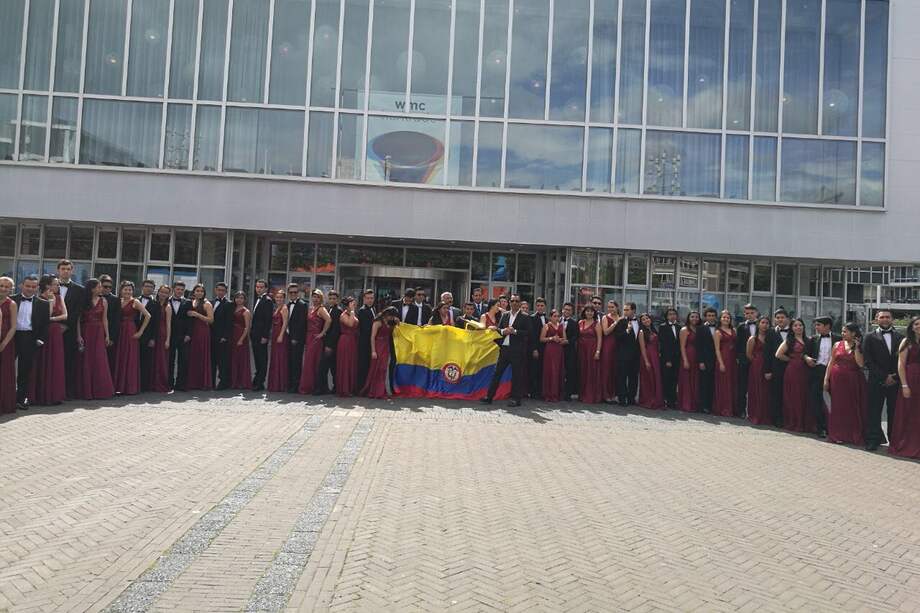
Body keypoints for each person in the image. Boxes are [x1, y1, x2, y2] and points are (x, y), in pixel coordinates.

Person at [862, 309, 904, 451]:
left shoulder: (901, 337)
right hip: (876, 381)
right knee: (874, 411)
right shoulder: (869, 337)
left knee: (894, 412)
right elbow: (868, 360)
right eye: (882, 317)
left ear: (892, 319)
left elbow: (903, 360)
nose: (885, 319)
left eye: (887, 317)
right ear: (876, 319)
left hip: (895, 380)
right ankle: (873, 439)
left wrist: (894, 376)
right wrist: (883, 376)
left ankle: (894, 440)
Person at [480, 294, 529, 407]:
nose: (514, 303)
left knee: (517, 375)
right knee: (497, 373)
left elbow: (529, 333)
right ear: (509, 302)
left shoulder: (525, 317)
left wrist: (515, 331)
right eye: (512, 301)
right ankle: (489, 396)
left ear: (520, 303)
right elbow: (500, 329)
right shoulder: (505, 315)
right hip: (505, 349)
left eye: (517, 301)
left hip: (517, 350)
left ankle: (516, 399)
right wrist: (503, 331)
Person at [823, 322, 866, 446]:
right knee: (837, 407)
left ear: (853, 333)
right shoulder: (837, 344)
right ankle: (837, 434)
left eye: (845, 331)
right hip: (837, 380)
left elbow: (860, 364)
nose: (842, 334)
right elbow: (831, 362)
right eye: (842, 331)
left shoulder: (860, 346)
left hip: (853, 380)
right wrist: (826, 379)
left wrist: (857, 348)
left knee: (852, 407)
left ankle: (852, 434)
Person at [29, 275, 67, 406]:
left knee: (55, 361)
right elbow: (46, 315)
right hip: (44, 332)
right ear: (47, 286)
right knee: (41, 361)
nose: (58, 286)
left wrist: (53, 320)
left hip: (56, 332)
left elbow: (65, 315)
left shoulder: (59, 297)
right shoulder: (39, 299)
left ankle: (54, 395)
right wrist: (50, 302)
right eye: (56, 284)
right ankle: (39, 395)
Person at [13, 275, 50, 410]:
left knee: (24, 370)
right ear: (21, 285)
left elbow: (46, 325)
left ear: (37, 288)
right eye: (27, 286)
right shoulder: (11, 300)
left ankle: (20, 399)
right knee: (5, 367)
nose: (30, 289)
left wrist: (40, 340)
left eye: (33, 287)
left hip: (30, 338)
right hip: (12, 336)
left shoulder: (43, 304)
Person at [75, 278, 114, 400]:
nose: (101, 289)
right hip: (86, 331)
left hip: (98, 332)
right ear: (92, 289)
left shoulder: (104, 301)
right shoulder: (83, 300)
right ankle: (86, 391)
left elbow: (105, 319)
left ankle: (100, 390)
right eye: (98, 287)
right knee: (86, 360)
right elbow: (78, 319)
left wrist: (107, 335)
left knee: (99, 360)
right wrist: (79, 335)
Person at [112, 281, 150, 396]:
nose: (127, 292)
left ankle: (129, 387)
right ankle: (119, 386)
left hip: (130, 330)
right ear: (121, 290)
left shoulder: (135, 301)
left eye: (130, 290)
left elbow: (148, 315)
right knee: (120, 356)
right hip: (120, 331)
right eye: (125, 289)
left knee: (130, 358)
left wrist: (140, 331)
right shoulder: (118, 301)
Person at [776, 318, 814, 433]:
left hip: (806, 371)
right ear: (792, 328)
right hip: (793, 371)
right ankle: (794, 422)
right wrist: (791, 359)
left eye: (800, 325)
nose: (798, 327)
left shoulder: (809, 340)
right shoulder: (789, 340)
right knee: (794, 396)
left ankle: (804, 422)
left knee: (804, 395)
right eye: (795, 326)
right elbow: (778, 354)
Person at [890, 316, 920, 459]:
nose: (919, 326)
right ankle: (906, 444)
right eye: (917, 324)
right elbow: (901, 365)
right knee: (908, 412)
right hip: (911, 380)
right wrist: (904, 385)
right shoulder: (906, 342)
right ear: (912, 327)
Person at [805, 316, 840, 438]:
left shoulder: (838, 339)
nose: (816, 327)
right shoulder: (813, 339)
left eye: (818, 325)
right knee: (816, 400)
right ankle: (821, 427)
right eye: (816, 325)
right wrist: (807, 358)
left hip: (834, 372)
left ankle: (833, 427)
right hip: (817, 371)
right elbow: (805, 353)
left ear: (827, 326)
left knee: (833, 401)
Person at [57, 259, 84, 399]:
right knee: (52, 361)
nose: (66, 271)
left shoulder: (80, 290)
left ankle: (67, 392)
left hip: (70, 331)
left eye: (68, 269)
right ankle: (52, 390)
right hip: (51, 331)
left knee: (69, 361)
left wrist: (66, 325)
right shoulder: (49, 286)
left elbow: (78, 311)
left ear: (72, 271)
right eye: (63, 269)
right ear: (58, 270)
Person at [362, 307, 399, 399]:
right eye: (391, 316)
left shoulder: (389, 322)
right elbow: (372, 337)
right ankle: (374, 391)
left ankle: (381, 390)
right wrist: (373, 351)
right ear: (387, 314)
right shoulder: (378, 322)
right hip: (378, 345)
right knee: (377, 368)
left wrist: (396, 322)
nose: (392, 318)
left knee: (383, 369)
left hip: (386, 346)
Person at [299, 290, 332, 394]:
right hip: (309, 337)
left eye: (317, 297)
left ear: (321, 298)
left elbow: (329, 320)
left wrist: (322, 333)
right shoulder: (311, 308)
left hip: (316, 339)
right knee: (309, 362)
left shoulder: (321, 309)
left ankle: (315, 386)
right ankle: (310, 385)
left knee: (314, 362)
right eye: (314, 297)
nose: (315, 299)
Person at [185, 284, 214, 391]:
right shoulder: (191, 301)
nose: (199, 293)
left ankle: (203, 382)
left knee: (202, 355)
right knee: (193, 356)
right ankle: (193, 382)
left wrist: (197, 315)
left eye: (201, 291)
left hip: (202, 331)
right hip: (193, 331)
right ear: (194, 292)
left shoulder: (207, 304)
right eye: (197, 291)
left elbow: (211, 320)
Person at [766, 309, 791, 428]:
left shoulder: (793, 331)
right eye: (778, 318)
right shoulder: (771, 332)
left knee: (789, 394)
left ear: (787, 319)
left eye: (782, 317)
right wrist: (767, 370)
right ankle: (776, 419)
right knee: (776, 394)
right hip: (775, 368)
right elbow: (767, 353)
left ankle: (788, 418)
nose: (780, 320)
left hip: (791, 368)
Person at [745, 317, 773, 426]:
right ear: (758, 324)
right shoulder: (752, 338)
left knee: (766, 391)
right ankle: (755, 414)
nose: (765, 325)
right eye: (762, 322)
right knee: (756, 390)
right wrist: (757, 361)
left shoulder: (771, 337)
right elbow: (748, 354)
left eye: (767, 323)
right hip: (756, 367)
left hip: (768, 366)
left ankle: (765, 415)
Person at [613, 302, 641, 406]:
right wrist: (627, 331)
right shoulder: (621, 322)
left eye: (627, 310)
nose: (625, 312)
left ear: (633, 310)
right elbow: (617, 337)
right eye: (624, 310)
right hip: (623, 354)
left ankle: (631, 398)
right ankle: (622, 398)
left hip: (636, 355)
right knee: (622, 377)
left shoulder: (639, 321)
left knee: (634, 377)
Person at [316, 290, 342, 394]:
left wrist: (329, 345)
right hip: (327, 342)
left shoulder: (338, 311)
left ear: (338, 300)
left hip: (332, 344)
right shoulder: (329, 309)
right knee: (330, 367)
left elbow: (336, 329)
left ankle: (324, 388)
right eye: (330, 298)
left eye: (334, 299)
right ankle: (329, 388)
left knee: (325, 367)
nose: (331, 300)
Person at [712, 310, 738, 418]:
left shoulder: (734, 330)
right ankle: (723, 408)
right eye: (724, 317)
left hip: (732, 359)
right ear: (720, 319)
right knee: (724, 384)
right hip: (723, 358)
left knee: (732, 383)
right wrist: (721, 363)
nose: (726, 319)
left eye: (728, 318)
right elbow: (717, 349)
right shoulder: (717, 332)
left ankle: (732, 408)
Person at [250, 279, 274, 392]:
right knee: (257, 358)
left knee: (262, 359)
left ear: (265, 289)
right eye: (257, 287)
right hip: (255, 334)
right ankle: (257, 379)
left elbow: (268, 320)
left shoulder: (267, 300)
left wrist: (265, 336)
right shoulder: (257, 299)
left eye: (261, 287)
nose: (258, 289)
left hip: (261, 336)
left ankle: (260, 382)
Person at [735, 304, 759, 416]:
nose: (749, 315)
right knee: (742, 386)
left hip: (759, 359)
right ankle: (741, 411)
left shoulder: (762, 325)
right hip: (744, 360)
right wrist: (739, 358)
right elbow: (738, 344)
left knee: (758, 385)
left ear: (756, 313)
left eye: (752, 313)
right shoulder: (740, 327)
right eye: (747, 313)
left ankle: (756, 411)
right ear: (744, 314)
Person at [577, 304, 603, 404]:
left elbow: (600, 338)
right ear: (584, 312)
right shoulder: (580, 322)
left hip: (592, 349)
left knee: (591, 371)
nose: (589, 313)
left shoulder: (597, 324)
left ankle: (591, 395)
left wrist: (598, 351)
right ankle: (582, 394)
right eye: (587, 311)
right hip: (582, 350)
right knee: (583, 371)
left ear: (594, 313)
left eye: (591, 311)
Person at [167, 281, 191, 391]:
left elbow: (190, 320)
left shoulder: (188, 302)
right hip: (170, 335)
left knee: (183, 360)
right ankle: (169, 383)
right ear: (173, 289)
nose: (180, 291)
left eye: (182, 290)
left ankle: (181, 384)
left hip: (183, 336)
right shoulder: (166, 301)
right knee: (169, 360)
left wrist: (188, 334)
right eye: (178, 289)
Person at [638, 313, 664, 410]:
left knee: (656, 378)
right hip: (647, 356)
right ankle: (648, 399)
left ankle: (657, 399)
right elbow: (642, 348)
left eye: (647, 318)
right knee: (648, 379)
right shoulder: (641, 332)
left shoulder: (654, 330)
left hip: (656, 357)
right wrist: (646, 361)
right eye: (643, 319)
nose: (646, 320)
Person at [137, 279, 160, 392]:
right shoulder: (135, 300)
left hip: (148, 336)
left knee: (146, 362)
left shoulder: (156, 304)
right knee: (134, 360)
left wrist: (153, 338)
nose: (148, 288)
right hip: (133, 334)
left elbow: (156, 323)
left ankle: (144, 386)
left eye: (151, 287)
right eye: (146, 286)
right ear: (142, 287)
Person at [210, 282, 233, 390]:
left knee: (222, 361)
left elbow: (229, 322)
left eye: (223, 290)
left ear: (226, 292)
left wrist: (225, 336)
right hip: (211, 336)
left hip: (222, 337)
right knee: (212, 360)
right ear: (215, 290)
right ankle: (211, 382)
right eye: (219, 290)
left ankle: (223, 382)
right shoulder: (211, 302)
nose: (220, 292)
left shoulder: (229, 304)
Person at [539, 309, 566, 402]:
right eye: (554, 316)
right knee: (550, 371)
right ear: (550, 317)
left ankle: (557, 393)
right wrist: (551, 338)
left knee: (558, 371)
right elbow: (541, 339)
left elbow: (565, 339)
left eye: (558, 316)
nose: (556, 318)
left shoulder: (561, 326)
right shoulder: (546, 326)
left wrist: (560, 340)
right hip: (550, 350)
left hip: (559, 350)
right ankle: (548, 393)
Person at [695, 307, 718, 414]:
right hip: (705, 360)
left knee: (714, 384)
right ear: (705, 317)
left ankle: (712, 405)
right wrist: (701, 361)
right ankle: (703, 406)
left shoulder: (719, 327)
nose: (711, 317)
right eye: (709, 315)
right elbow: (698, 346)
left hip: (717, 360)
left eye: (713, 315)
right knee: (704, 384)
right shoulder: (700, 329)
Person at [677, 311, 701, 412]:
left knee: (695, 381)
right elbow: (682, 347)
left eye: (696, 317)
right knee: (687, 380)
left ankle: (694, 404)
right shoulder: (684, 330)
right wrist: (685, 360)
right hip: (687, 356)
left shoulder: (699, 329)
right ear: (688, 318)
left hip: (697, 357)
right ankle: (686, 404)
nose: (694, 318)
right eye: (692, 317)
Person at [335, 296, 359, 397]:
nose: (354, 305)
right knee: (345, 364)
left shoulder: (352, 313)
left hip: (352, 341)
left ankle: (351, 388)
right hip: (345, 341)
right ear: (348, 305)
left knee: (351, 364)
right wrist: (352, 311)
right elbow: (350, 323)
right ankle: (344, 389)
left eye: (354, 304)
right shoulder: (343, 315)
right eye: (352, 303)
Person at [286, 283, 308, 393]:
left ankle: (296, 385)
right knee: (289, 361)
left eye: (295, 292)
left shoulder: (302, 305)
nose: (293, 294)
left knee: (296, 362)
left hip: (297, 339)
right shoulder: (287, 305)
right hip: (288, 338)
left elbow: (301, 324)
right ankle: (289, 383)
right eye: (291, 292)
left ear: (298, 293)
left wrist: (295, 338)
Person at [0, 277, 17, 414]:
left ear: (11, 289)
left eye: (6, 286)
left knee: (4, 373)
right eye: (1, 285)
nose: (3, 288)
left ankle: (4, 404)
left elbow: (13, 327)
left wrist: (4, 343)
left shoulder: (11, 304)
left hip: (5, 341)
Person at [267, 289, 290, 393]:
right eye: (277, 297)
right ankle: (274, 383)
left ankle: (280, 383)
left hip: (280, 334)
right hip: (275, 334)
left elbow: (285, 323)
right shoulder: (276, 308)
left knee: (280, 358)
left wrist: (281, 335)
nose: (279, 299)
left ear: (284, 299)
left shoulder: (284, 308)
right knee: (275, 358)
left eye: (281, 297)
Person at [150, 285, 172, 393]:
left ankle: (161, 384)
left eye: (166, 293)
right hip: (153, 333)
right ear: (158, 292)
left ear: (168, 295)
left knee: (161, 360)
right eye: (162, 292)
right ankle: (152, 383)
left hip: (163, 334)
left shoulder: (168, 306)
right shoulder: (153, 303)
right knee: (153, 359)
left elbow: (168, 324)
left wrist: (168, 339)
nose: (163, 294)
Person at [657, 307, 681, 409]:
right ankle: (666, 400)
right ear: (666, 316)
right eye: (670, 314)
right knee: (666, 380)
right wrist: (667, 360)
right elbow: (663, 345)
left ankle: (673, 400)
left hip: (677, 358)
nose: (672, 316)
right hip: (667, 359)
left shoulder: (680, 327)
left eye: (674, 314)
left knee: (675, 380)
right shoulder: (663, 327)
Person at [98, 275, 120, 376]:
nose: (107, 289)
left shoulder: (115, 300)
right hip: (94, 333)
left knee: (109, 361)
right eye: (105, 286)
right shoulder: (93, 297)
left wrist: (112, 338)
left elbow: (116, 321)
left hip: (109, 335)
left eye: (109, 287)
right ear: (99, 285)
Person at [230, 291, 252, 390]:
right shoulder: (232, 308)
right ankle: (233, 381)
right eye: (237, 297)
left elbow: (247, 327)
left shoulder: (246, 311)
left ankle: (242, 382)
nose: (239, 299)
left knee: (241, 360)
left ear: (245, 299)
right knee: (233, 359)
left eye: (241, 298)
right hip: (232, 335)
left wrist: (241, 339)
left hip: (241, 337)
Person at [599, 301, 620, 405]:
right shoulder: (605, 318)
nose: (610, 309)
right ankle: (605, 394)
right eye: (609, 307)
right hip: (608, 345)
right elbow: (605, 332)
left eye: (612, 307)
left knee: (615, 370)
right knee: (607, 369)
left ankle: (614, 394)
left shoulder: (621, 317)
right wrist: (615, 323)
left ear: (617, 307)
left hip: (618, 346)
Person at [356, 289, 376, 391]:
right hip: (364, 342)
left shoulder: (373, 309)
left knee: (368, 365)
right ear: (364, 299)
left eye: (372, 298)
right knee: (363, 366)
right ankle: (361, 388)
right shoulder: (362, 310)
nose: (370, 300)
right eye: (368, 298)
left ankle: (367, 387)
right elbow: (366, 328)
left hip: (370, 341)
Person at [528, 298, 548, 398]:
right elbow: (532, 336)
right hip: (536, 348)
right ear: (536, 306)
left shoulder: (547, 319)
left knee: (542, 370)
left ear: (545, 307)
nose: (540, 307)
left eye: (542, 306)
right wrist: (534, 349)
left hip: (546, 348)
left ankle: (541, 391)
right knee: (534, 370)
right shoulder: (531, 318)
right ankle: (533, 392)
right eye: (538, 305)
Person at [560, 303, 579, 401]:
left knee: (569, 372)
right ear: (562, 310)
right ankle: (558, 392)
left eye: (569, 310)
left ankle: (568, 394)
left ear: (572, 312)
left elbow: (576, 336)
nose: (566, 311)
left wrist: (567, 341)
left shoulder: (575, 323)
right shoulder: (556, 320)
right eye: (565, 309)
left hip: (569, 350)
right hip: (558, 350)